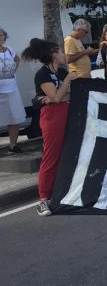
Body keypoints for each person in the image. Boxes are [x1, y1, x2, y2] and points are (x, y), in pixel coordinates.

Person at [22, 39, 76, 216]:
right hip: (52, 117)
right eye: (61, 51)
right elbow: (56, 97)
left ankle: (59, 193)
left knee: (66, 154)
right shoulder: (43, 74)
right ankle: (43, 199)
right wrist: (66, 82)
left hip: (65, 113)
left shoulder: (60, 71)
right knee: (51, 157)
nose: (64, 54)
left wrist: (54, 96)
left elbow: (66, 96)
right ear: (53, 54)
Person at [0, 27, 25, 153]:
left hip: (12, 89)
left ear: (4, 37)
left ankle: (12, 145)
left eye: (1, 35)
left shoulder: (9, 49)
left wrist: (14, 69)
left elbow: (17, 59)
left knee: (14, 118)